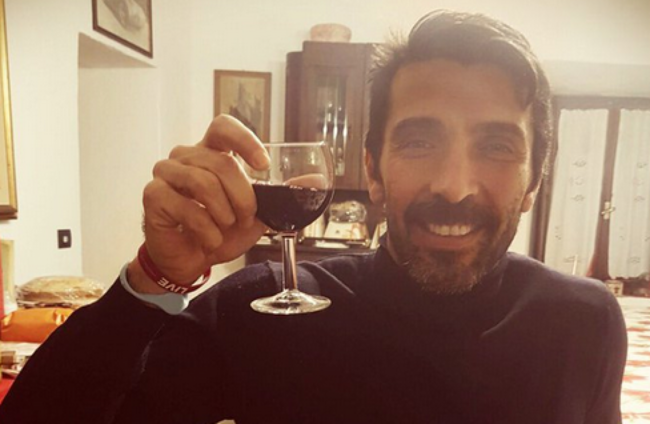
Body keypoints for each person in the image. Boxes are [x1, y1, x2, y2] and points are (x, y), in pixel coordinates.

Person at [0, 10, 626, 424]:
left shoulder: (584, 321)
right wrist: (152, 280)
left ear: (534, 181)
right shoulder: (261, 308)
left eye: (496, 146)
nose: (454, 186)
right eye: (418, 141)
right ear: (373, 169)